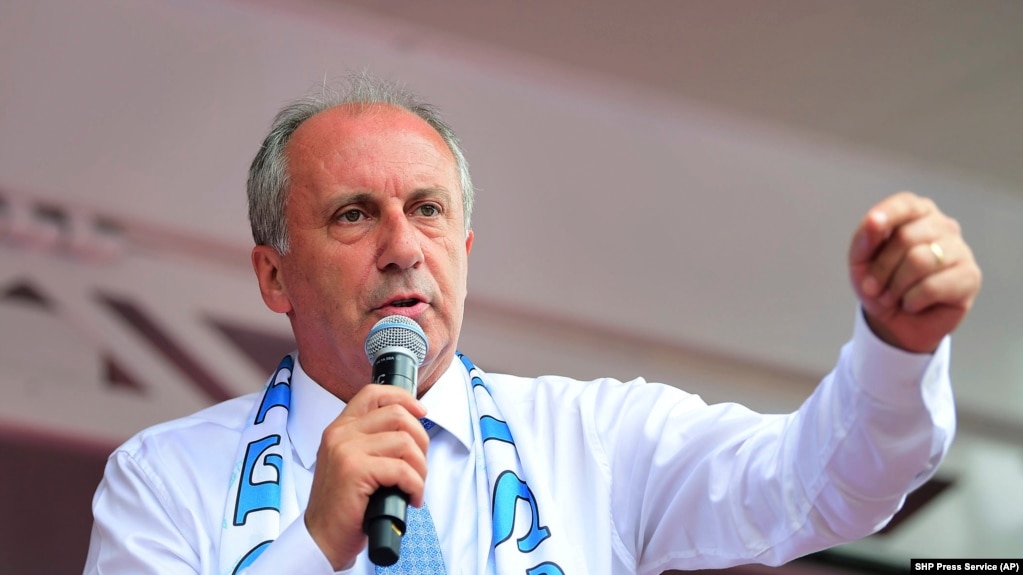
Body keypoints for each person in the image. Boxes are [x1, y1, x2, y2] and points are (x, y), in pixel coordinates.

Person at [84, 74, 981, 575]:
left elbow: (818, 485)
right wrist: (313, 543)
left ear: (465, 246)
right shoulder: (164, 481)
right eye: (355, 215)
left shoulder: (595, 439)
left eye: (428, 211)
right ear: (273, 274)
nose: (404, 248)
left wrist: (898, 349)